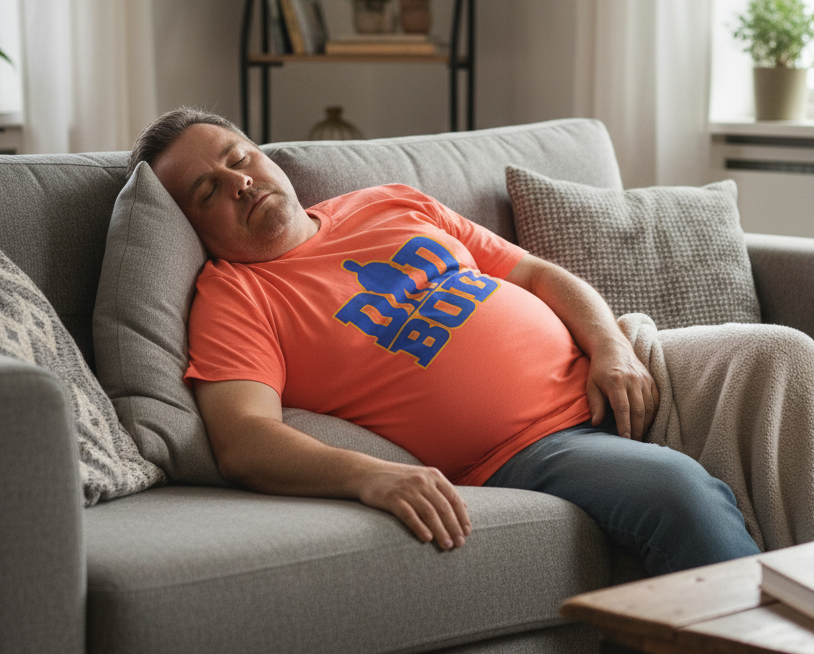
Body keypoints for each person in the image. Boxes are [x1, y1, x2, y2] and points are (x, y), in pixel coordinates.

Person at [131, 107, 760, 574]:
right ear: (189, 225)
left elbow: (539, 274)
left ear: (264, 156)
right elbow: (243, 438)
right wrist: (369, 478)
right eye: (207, 190)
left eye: (238, 159)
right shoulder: (235, 296)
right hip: (535, 446)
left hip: (622, 367)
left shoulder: (387, 202)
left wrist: (611, 347)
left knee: (777, 356)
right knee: (680, 494)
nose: (238, 182)